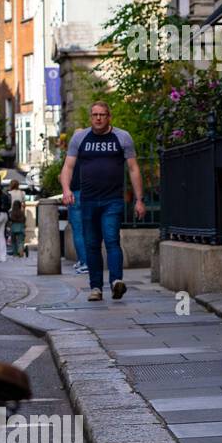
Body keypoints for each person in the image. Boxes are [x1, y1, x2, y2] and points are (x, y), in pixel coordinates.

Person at [61, 101, 146, 301]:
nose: (98, 118)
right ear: (90, 117)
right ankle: (96, 288)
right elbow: (68, 167)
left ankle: (116, 281)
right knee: (91, 245)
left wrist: (139, 200)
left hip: (112, 200)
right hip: (88, 200)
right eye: (94, 115)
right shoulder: (80, 138)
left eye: (102, 115)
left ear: (109, 117)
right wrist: (66, 189)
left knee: (111, 240)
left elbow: (134, 169)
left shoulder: (122, 137)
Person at [8, 179, 27, 257]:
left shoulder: (9, 193)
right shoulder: (22, 193)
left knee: (12, 235)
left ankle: (15, 252)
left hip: (11, 213)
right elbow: (24, 204)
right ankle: (21, 249)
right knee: (20, 236)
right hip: (20, 212)